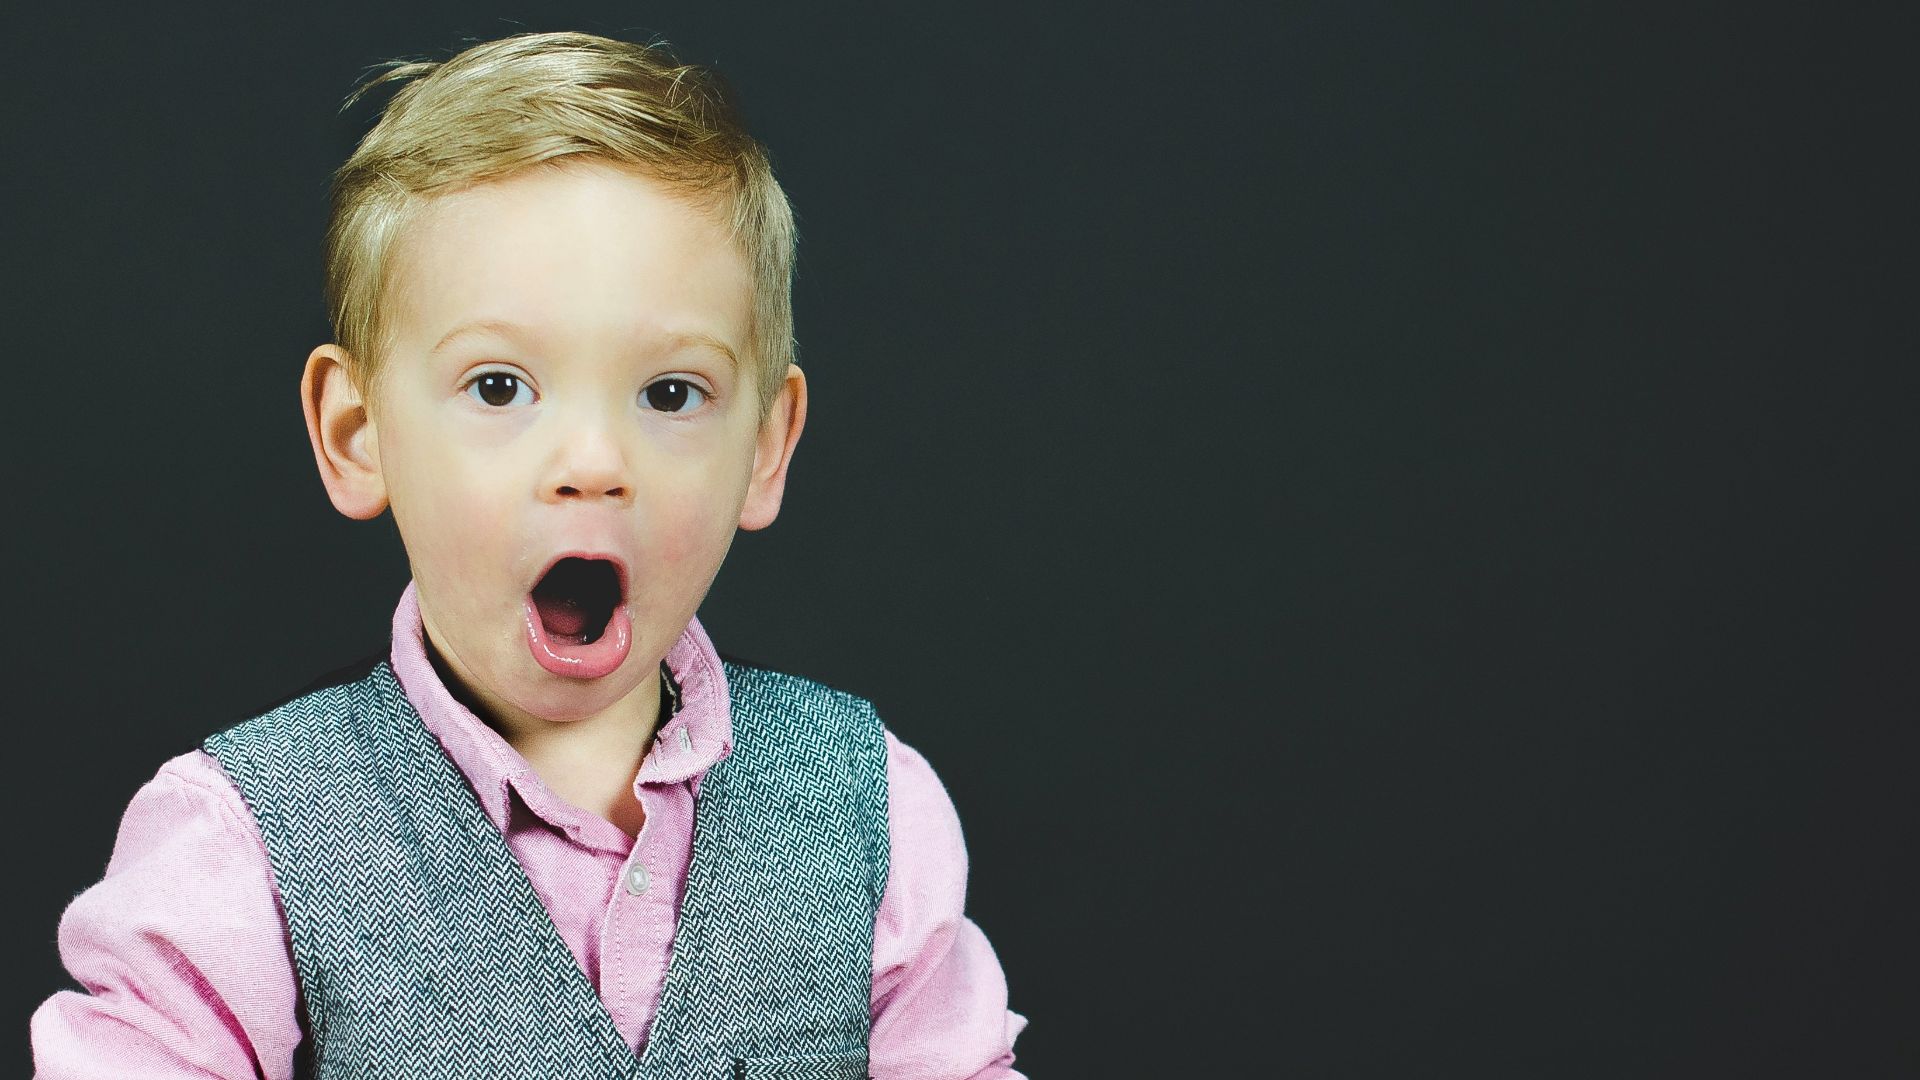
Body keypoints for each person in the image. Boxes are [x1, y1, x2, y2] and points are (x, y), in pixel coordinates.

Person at [30, 30, 1026, 1079]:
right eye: (500, 386)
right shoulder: (237, 848)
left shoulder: (868, 806)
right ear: (357, 435)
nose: (593, 464)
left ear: (766, 450)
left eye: (670, 393)